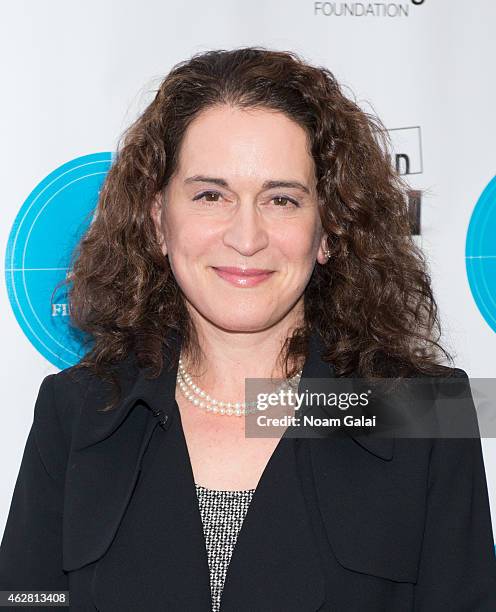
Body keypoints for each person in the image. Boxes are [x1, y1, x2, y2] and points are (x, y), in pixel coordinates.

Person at [0, 46, 495, 611]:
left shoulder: (425, 410)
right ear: (158, 221)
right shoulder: (77, 410)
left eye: (282, 199)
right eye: (211, 195)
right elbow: (27, 600)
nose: (247, 235)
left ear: (329, 229)